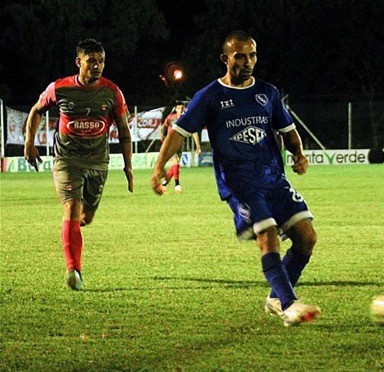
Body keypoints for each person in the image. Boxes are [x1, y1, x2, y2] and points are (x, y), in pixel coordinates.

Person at [151, 31, 321, 327]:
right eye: (240, 56)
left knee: (307, 238)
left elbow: (287, 130)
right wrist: (158, 168)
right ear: (225, 58)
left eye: (252, 55)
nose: (247, 62)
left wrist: (299, 154)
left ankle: (276, 297)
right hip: (239, 182)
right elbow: (178, 133)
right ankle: (289, 304)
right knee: (267, 236)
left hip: (273, 178)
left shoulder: (267, 93)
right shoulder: (210, 96)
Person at [24, 38, 133, 290]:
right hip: (67, 160)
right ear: (79, 62)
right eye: (91, 61)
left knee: (87, 215)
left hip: (98, 161)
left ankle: (72, 230)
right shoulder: (60, 88)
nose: (97, 66)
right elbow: (37, 110)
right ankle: (74, 270)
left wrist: (128, 166)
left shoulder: (112, 92)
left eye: (101, 61)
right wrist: (29, 143)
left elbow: (124, 131)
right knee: (72, 208)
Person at [160, 101, 201, 193]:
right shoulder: (170, 118)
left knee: (176, 164)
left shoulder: (186, 119)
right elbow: (163, 127)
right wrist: (162, 137)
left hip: (180, 143)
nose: (180, 110)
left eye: (182, 108)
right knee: (175, 161)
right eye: (179, 108)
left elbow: (194, 131)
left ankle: (164, 183)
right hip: (170, 142)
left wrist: (197, 145)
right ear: (176, 108)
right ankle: (177, 184)